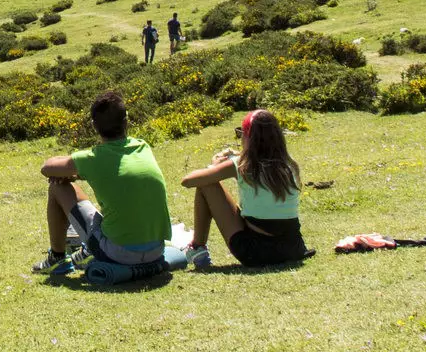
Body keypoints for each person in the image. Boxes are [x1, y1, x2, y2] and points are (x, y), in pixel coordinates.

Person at [33, 89, 171, 274]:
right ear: (126, 121)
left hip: (119, 254)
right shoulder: (142, 147)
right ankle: (83, 251)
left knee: (57, 188)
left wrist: (69, 170)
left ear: (94, 126)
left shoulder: (93, 159)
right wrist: (78, 173)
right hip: (157, 251)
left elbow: (47, 168)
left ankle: (57, 259)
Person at [178, 109, 308, 271]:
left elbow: (188, 181)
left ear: (248, 138)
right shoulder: (289, 165)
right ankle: (198, 248)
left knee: (207, 183)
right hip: (293, 249)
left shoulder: (241, 165)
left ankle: (197, 248)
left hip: (255, 252)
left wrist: (214, 166)